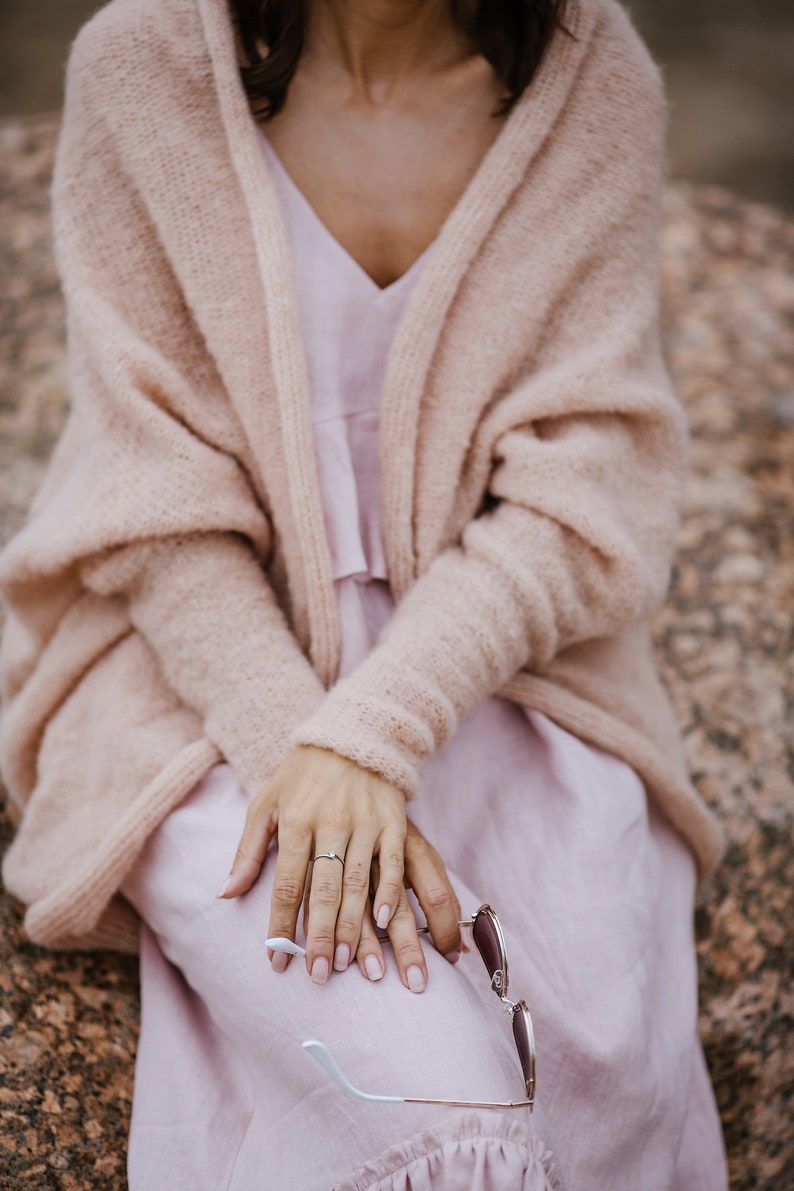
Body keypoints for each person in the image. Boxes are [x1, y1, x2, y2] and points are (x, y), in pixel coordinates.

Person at [0, 0, 731, 1185]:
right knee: (419, 1085)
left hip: (494, 664)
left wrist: (376, 735)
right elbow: (154, 497)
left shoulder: (589, 76)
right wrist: (303, 756)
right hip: (202, 674)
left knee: (597, 1074)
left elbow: (584, 490)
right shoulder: (141, 66)